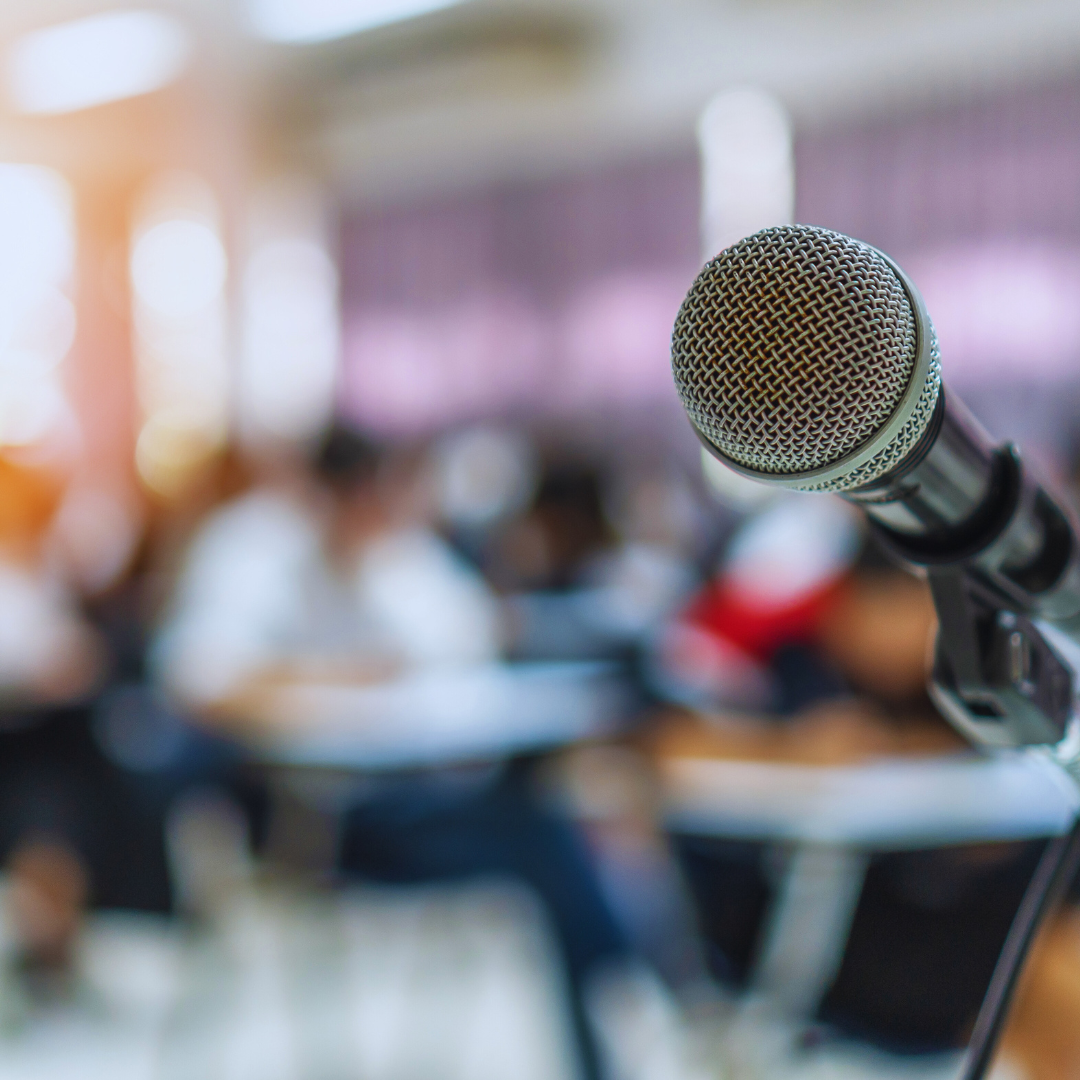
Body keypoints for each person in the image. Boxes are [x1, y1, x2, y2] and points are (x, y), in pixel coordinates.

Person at [152, 426, 631, 1080]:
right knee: (541, 842)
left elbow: (470, 639)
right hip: (296, 819)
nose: (374, 517)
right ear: (315, 494)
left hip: (402, 798)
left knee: (542, 819)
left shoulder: (395, 550)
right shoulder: (253, 546)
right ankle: (626, 978)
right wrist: (330, 680)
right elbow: (197, 680)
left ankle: (613, 997)